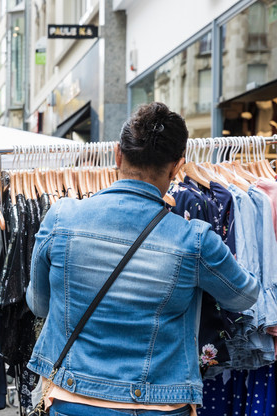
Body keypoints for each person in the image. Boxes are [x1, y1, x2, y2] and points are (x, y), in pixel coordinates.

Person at [26, 102, 259, 416]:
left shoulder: (61, 218)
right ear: (178, 167)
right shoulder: (195, 240)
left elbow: (39, 304)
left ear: (117, 154)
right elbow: (244, 296)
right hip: (158, 403)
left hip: (73, 398)